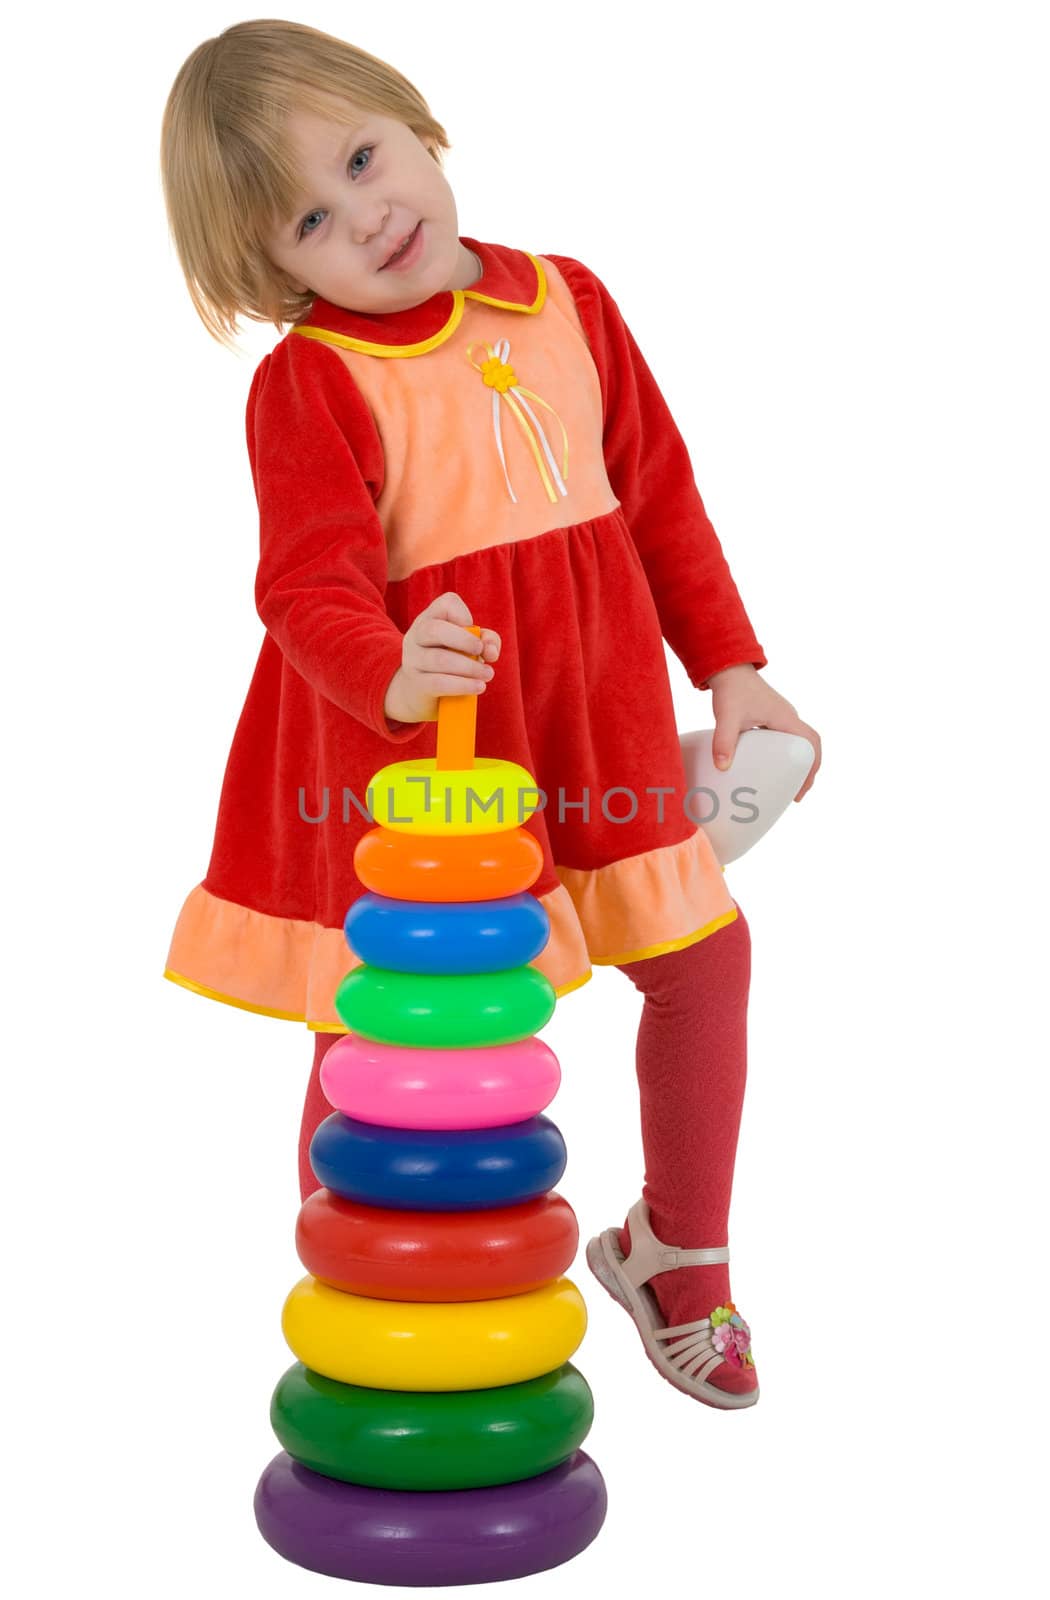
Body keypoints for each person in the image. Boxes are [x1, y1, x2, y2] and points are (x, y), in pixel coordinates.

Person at [160, 18, 821, 1410]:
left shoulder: (568, 301)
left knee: (702, 962)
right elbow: (304, 580)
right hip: (416, 756)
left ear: (415, 122)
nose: (368, 215)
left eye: (363, 157)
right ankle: (362, 1305)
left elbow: (656, 502)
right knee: (381, 1034)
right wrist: (391, 665)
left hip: (593, 723)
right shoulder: (314, 380)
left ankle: (675, 1256)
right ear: (273, 271)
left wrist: (729, 662)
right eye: (312, 218)